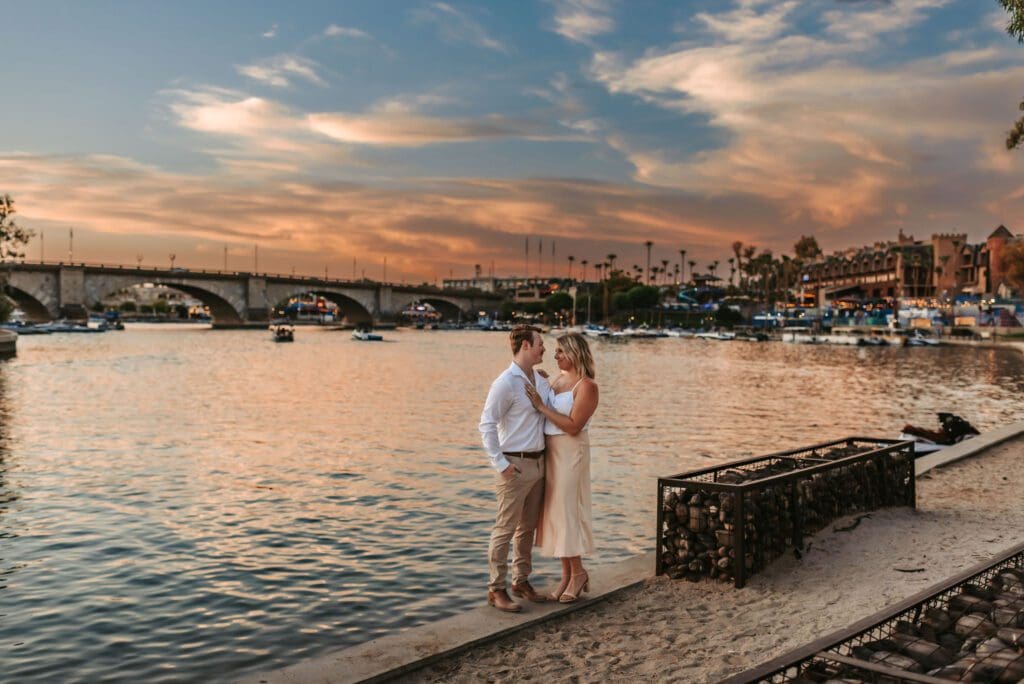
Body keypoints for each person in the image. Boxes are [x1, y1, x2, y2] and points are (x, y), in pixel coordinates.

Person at [479, 325, 552, 612]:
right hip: (515, 463)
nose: (544, 348)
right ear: (525, 345)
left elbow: (552, 403)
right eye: (540, 344)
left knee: (527, 528)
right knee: (505, 528)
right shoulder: (505, 383)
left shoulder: (540, 381)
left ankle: (521, 582)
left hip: (539, 462)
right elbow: (486, 424)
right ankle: (496, 589)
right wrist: (500, 463)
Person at [525, 332, 599, 603]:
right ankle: (568, 574)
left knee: (567, 512)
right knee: (555, 513)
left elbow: (573, 426)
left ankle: (578, 573)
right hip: (551, 452)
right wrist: (540, 382)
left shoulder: (587, 386)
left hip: (571, 452)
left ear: (573, 353)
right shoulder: (556, 380)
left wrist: (542, 406)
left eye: (559, 351)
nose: (555, 356)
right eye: (554, 351)